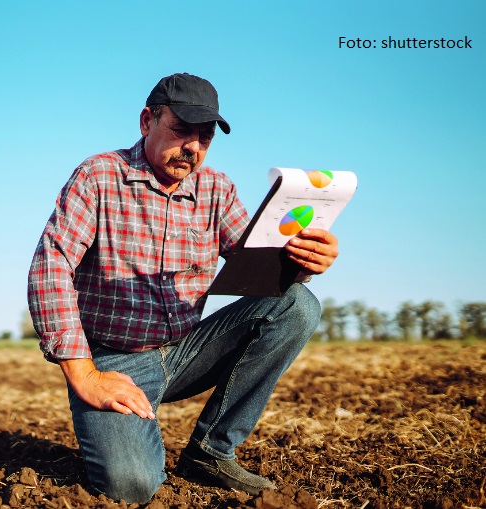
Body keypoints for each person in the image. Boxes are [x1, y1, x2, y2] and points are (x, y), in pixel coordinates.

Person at [27, 72, 338, 503]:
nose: (193, 148)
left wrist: (303, 263)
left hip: (186, 349)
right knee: (131, 487)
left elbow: (258, 273)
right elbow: (51, 265)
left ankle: (211, 451)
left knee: (297, 305)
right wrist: (86, 376)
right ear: (146, 121)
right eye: (182, 131)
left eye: (204, 138)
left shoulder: (216, 189)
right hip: (116, 360)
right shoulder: (99, 175)